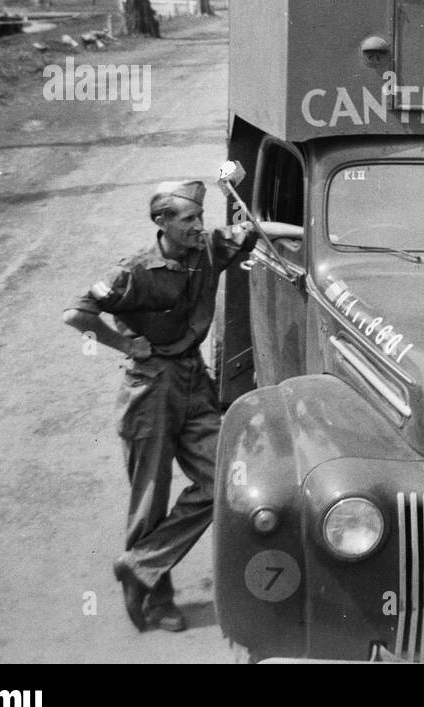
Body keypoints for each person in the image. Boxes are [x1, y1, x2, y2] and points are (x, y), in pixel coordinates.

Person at [62, 178, 293, 632]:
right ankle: (156, 599)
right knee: (149, 498)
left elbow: (258, 228)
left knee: (224, 480)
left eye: (200, 218)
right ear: (161, 222)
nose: (198, 226)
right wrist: (126, 346)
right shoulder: (133, 271)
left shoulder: (207, 249)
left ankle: (138, 565)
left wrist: (310, 230)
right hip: (149, 391)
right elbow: (76, 314)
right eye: (188, 219)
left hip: (193, 381)